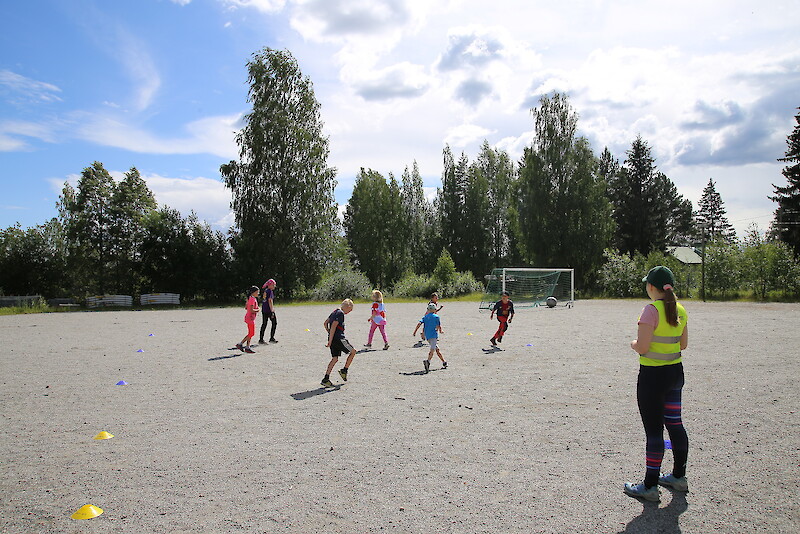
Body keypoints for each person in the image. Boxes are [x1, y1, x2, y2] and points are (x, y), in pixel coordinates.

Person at [623, 266, 690, 502]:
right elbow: (683, 344)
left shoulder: (650, 310)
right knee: (675, 424)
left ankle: (650, 486)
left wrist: (632, 343)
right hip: (675, 373)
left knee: (653, 431)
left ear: (652, 287)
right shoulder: (680, 309)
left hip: (653, 377)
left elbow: (642, 347)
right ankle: (679, 477)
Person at [322, 299, 357, 388]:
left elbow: (325, 323)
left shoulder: (334, 312)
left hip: (333, 338)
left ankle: (326, 379)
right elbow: (333, 326)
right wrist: (330, 340)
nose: (349, 312)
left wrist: (329, 334)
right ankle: (344, 370)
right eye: (350, 310)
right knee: (353, 352)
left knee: (335, 358)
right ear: (348, 307)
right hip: (339, 339)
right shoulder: (340, 313)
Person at [413, 303, 446, 373]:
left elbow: (419, 324)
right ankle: (428, 361)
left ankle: (444, 362)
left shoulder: (425, 317)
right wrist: (440, 331)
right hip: (433, 335)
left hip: (427, 336)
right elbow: (438, 326)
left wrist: (415, 332)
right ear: (434, 310)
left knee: (437, 349)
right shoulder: (436, 317)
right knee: (433, 349)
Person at [236, 286, 260, 354]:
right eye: (257, 292)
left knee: (250, 333)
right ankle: (240, 344)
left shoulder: (250, 298)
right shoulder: (252, 299)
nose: (258, 293)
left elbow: (246, 307)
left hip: (249, 317)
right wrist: (257, 310)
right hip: (250, 318)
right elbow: (251, 310)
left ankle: (247, 347)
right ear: (253, 292)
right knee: (251, 333)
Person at [259, 278, 278, 344]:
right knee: (274, 323)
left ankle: (261, 339)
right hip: (269, 310)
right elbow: (270, 300)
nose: (274, 286)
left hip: (264, 309)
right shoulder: (270, 291)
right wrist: (272, 310)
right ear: (270, 285)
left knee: (264, 324)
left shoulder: (266, 290)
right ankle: (271, 338)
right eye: (273, 285)